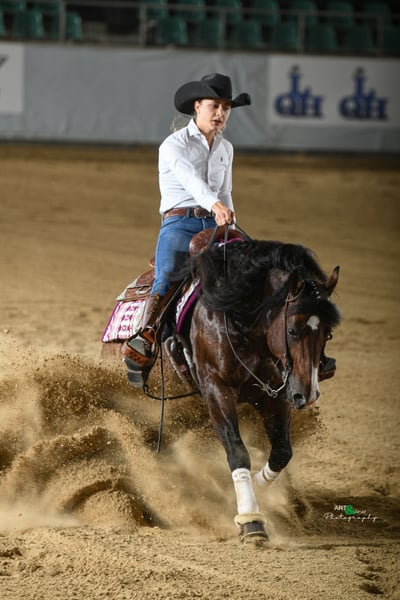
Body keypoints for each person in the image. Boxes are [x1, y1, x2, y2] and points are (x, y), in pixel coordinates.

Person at [123, 73, 251, 388]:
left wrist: (231, 223)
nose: (220, 113)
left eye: (226, 107)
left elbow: (226, 191)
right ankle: (146, 337)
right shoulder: (173, 145)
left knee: (249, 272)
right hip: (180, 223)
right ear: (197, 106)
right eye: (214, 106)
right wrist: (215, 205)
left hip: (216, 225)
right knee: (167, 273)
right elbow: (191, 180)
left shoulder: (226, 148)